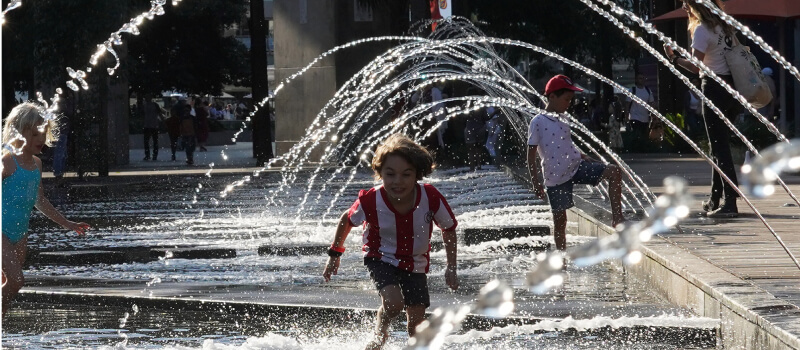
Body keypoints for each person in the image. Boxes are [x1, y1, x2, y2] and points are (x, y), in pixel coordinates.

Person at [322, 134, 459, 350]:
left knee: (416, 325)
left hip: (416, 262)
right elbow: (346, 220)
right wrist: (335, 254)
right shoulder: (371, 200)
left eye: (406, 174)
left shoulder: (430, 196)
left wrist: (451, 267)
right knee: (394, 303)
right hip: (380, 257)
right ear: (379, 174)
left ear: (417, 174)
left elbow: (449, 229)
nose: (397, 181)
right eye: (390, 174)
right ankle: (380, 332)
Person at [2, 102, 90, 315]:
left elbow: (39, 201)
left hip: (20, 234)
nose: (40, 139)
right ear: (18, 133)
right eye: (34, 134)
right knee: (17, 280)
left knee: (8, 285)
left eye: (43, 132)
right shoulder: (7, 162)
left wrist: (67, 223)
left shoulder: (36, 164)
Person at [528, 75, 624, 250]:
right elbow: (531, 153)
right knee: (560, 221)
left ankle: (617, 217)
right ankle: (561, 259)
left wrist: (582, 155)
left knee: (614, 171)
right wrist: (536, 182)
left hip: (575, 166)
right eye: (566, 99)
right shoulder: (538, 122)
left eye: (570, 100)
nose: (569, 103)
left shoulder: (565, 119)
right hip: (555, 177)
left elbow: (565, 142)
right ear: (552, 97)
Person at [664, 0, 741, 218]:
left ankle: (730, 202)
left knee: (719, 147)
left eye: (686, 4)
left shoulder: (702, 30)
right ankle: (716, 198)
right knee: (719, 145)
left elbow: (697, 67)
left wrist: (674, 58)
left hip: (715, 88)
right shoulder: (725, 26)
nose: (683, 8)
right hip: (732, 90)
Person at [625, 72, 656, 151]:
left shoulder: (648, 91)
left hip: (645, 117)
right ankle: (635, 148)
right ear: (636, 80)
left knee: (644, 133)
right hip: (634, 116)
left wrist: (652, 115)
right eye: (639, 78)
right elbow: (627, 104)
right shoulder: (632, 90)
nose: (641, 80)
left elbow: (651, 103)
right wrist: (626, 116)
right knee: (636, 132)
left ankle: (642, 148)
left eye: (642, 78)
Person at [141, 95, 165, 161]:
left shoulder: (153, 105)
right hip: (149, 125)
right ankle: (149, 155)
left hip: (153, 125)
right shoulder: (145, 105)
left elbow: (160, 113)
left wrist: (163, 121)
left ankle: (152, 155)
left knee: (153, 141)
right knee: (149, 142)